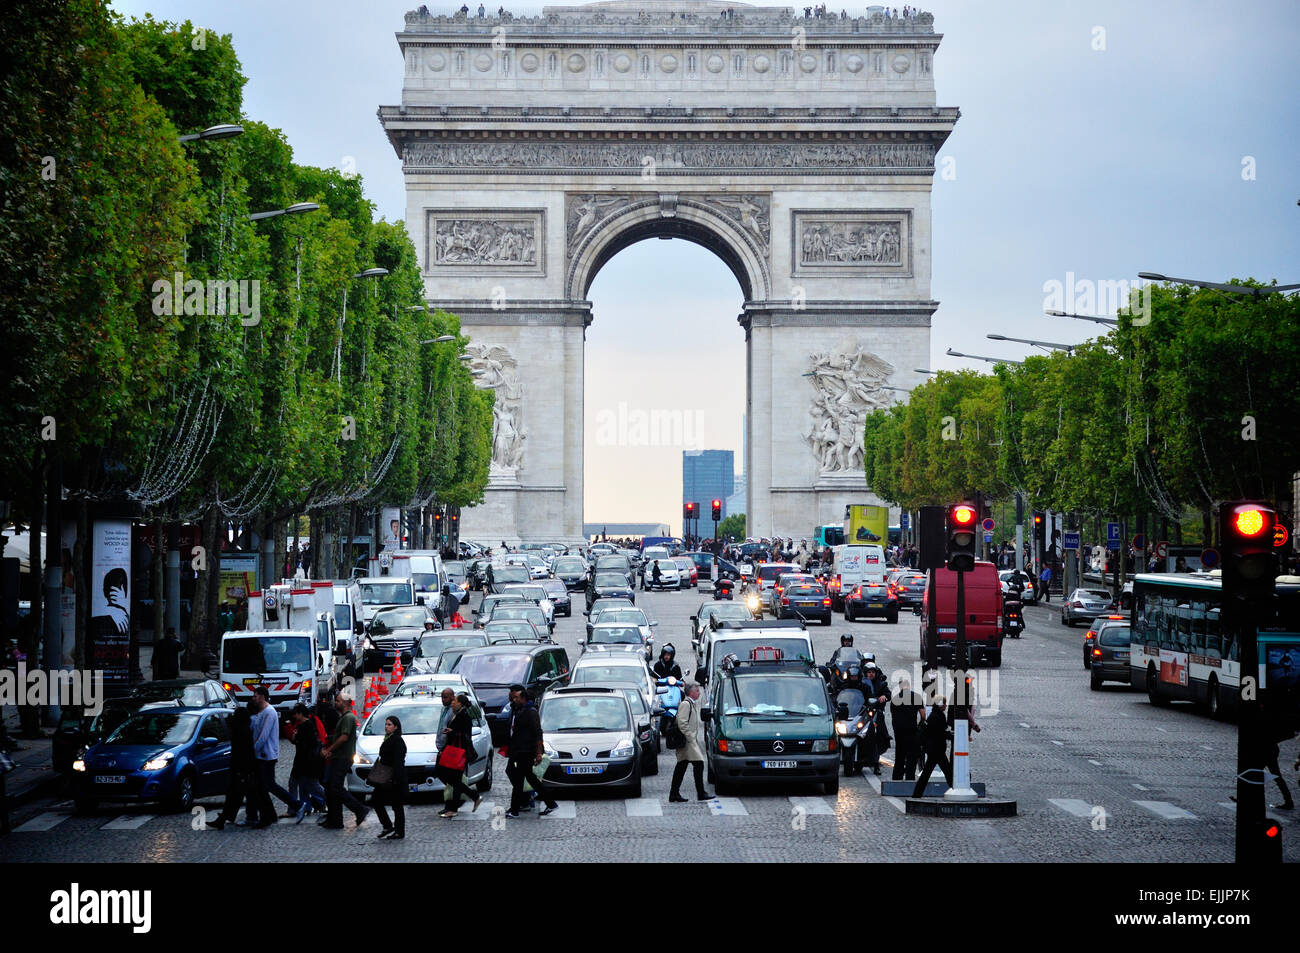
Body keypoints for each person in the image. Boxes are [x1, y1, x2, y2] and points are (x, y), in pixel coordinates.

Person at [249, 686, 301, 826]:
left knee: (269, 785)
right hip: (262, 755)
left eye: (255, 696)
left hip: (267, 755)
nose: (253, 698)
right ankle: (270, 815)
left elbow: (263, 736)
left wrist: (253, 751)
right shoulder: (262, 712)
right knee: (264, 786)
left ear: (262, 697)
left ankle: (295, 805)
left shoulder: (269, 712)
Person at [505, 685, 558, 818]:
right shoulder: (521, 710)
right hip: (520, 750)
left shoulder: (531, 712)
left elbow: (537, 732)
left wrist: (539, 752)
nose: (514, 699)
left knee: (519, 781)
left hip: (526, 751)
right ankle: (551, 803)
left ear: (523, 698)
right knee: (531, 779)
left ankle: (514, 809)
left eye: (517, 697)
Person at [208, 703, 260, 830]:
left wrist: (239, 770)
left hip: (240, 768)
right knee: (241, 795)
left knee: (235, 795)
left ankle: (225, 818)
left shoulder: (239, 731)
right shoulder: (245, 730)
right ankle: (228, 817)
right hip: (245, 768)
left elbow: (240, 752)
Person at [321, 692, 369, 829]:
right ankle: (335, 819)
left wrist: (330, 749)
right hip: (339, 757)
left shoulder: (348, 718)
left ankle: (359, 809)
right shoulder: (344, 717)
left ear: (346, 703)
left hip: (343, 757)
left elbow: (344, 737)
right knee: (332, 788)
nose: (336, 703)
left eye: (338, 701)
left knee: (336, 787)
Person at [436, 693, 482, 817]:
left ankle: (453, 809)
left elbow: (466, 734)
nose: (452, 702)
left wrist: (453, 732)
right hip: (452, 750)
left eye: (455, 701)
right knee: (450, 778)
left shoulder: (464, 716)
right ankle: (473, 797)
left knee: (455, 780)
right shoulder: (456, 714)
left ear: (460, 703)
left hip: (459, 752)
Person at [669, 682, 712, 802]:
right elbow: (682, 722)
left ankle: (674, 794)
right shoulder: (686, 704)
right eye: (697, 691)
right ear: (691, 693)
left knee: (681, 766)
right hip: (687, 742)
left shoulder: (690, 704)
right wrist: (691, 738)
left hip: (688, 741)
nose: (699, 693)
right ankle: (700, 793)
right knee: (698, 764)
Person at [370, 715, 408, 839]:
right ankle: (388, 826)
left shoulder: (397, 740)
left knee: (397, 805)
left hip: (393, 778)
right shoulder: (388, 739)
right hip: (385, 777)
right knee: (376, 800)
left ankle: (399, 831)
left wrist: (395, 779)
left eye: (389, 724)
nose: (386, 727)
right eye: (386, 724)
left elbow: (398, 761)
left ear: (396, 727)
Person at [288, 704, 328, 821]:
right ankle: (297, 807)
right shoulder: (308, 724)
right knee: (304, 785)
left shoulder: (306, 726)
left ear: (300, 714)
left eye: (296, 713)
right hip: (306, 762)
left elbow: (303, 744)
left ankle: (297, 807)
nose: (295, 716)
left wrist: (296, 737)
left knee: (310, 785)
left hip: (304, 762)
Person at [912, 697, 954, 797]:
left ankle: (917, 794)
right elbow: (940, 733)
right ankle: (954, 789)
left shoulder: (934, 715)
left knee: (928, 773)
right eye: (944, 703)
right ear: (940, 705)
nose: (946, 705)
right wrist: (951, 735)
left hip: (933, 749)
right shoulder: (939, 716)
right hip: (937, 749)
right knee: (946, 772)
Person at [890, 676, 927, 781]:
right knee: (912, 756)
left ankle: (897, 779)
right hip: (912, 730)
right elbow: (923, 715)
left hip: (899, 732)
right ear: (909, 685)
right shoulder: (916, 697)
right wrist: (920, 724)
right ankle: (910, 779)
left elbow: (893, 715)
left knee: (900, 756)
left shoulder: (895, 699)